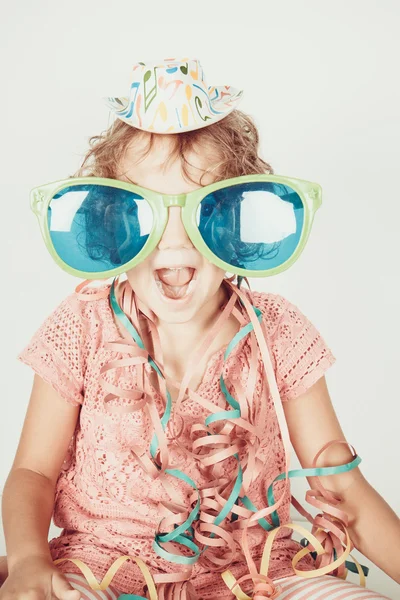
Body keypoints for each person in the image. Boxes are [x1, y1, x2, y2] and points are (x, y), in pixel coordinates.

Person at [0, 57, 398, 600]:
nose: (174, 240)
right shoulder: (82, 327)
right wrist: (26, 561)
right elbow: (32, 474)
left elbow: (340, 481)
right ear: (110, 222)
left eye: (201, 209)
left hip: (261, 575)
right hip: (103, 572)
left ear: (235, 219)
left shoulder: (276, 331)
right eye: (145, 211)